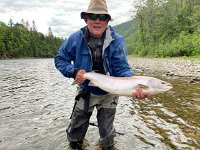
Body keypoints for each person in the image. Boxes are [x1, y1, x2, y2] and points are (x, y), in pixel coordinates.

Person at [54, 0, 150, 149]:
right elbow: (60, 59)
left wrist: (132, 86)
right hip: (86, 88)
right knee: (75, 135)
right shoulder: (75, 38)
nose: (97, 20)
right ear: (86, 19)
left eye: (102, 17)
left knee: (107, 138)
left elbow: (122, 68)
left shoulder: (117, 40)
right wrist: (73, 72)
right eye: (93, 16)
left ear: (107, 21)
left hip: (110, 92)